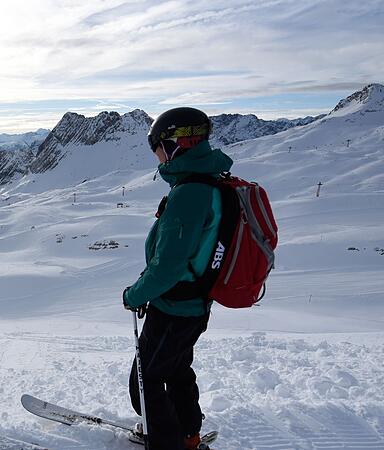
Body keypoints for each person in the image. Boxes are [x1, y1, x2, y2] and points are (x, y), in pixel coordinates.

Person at [122, 107, 233, 450]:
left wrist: (135, 294)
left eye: (157, 148)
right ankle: (188, 436)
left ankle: (168, 442)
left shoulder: (189, 193)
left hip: (174, 305)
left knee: (146, 382)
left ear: (173, 145)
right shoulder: (208, 182)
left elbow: (168, 266)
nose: (156, 158)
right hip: (193, 304)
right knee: (177, 372)